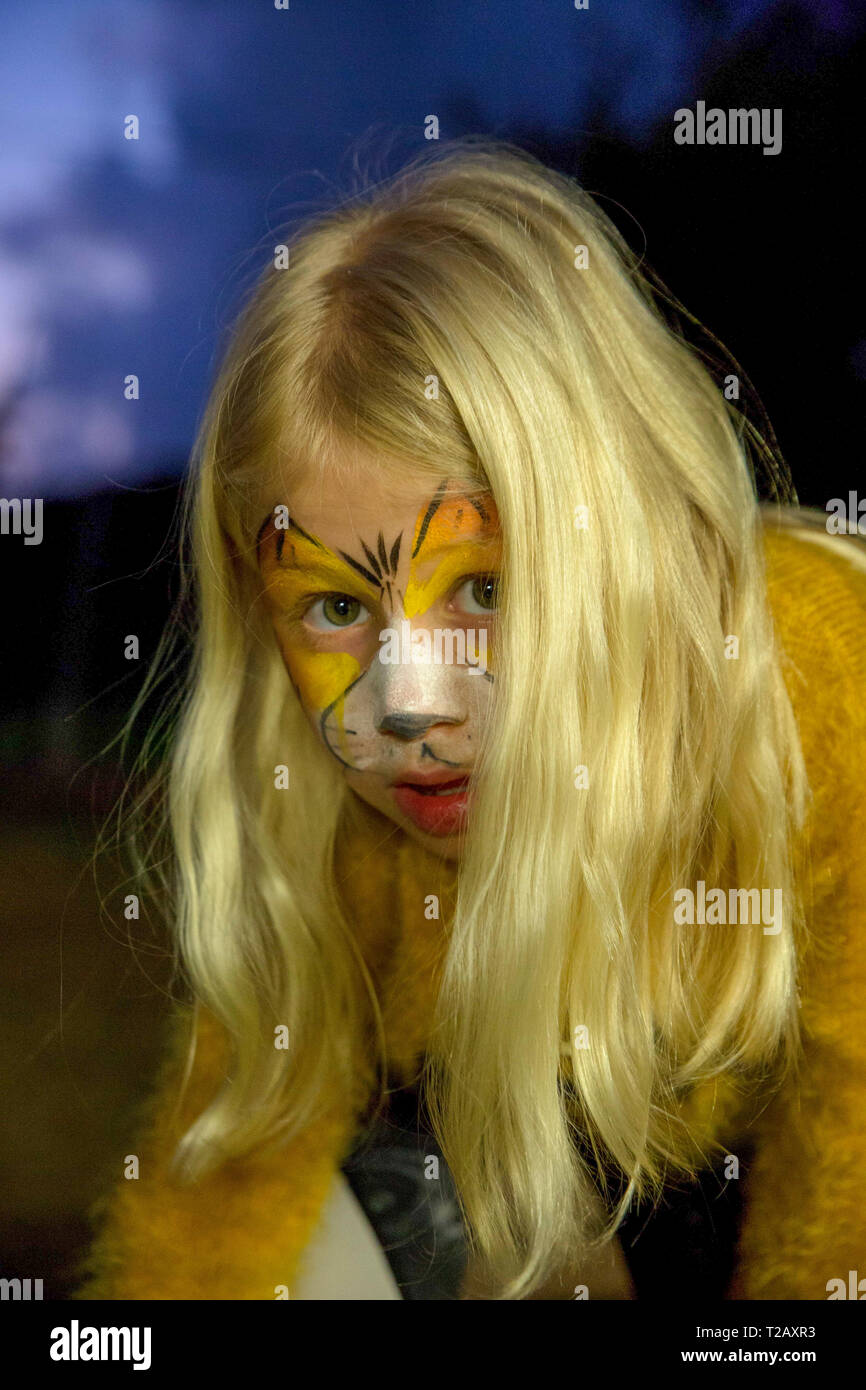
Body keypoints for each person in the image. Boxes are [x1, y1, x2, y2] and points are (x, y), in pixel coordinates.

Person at [72, 138, 866, 1301]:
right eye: (335, 605)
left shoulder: (811, 679)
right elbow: (219, 1193)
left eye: (486, 588)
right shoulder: (320, 810)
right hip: (519, 1176)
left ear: (643, 551)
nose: (410, 702)